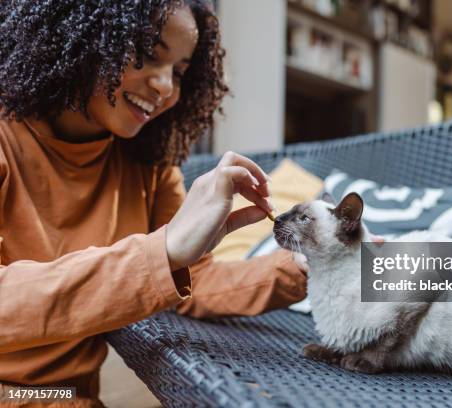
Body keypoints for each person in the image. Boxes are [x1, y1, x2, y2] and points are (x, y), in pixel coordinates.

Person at [0, 1, 307, 406]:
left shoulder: (147, 167)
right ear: (82, 40)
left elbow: (192, 282)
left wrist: (312, 264)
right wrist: (161, 251)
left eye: (179, 72)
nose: (165, 86)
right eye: (146, 55)